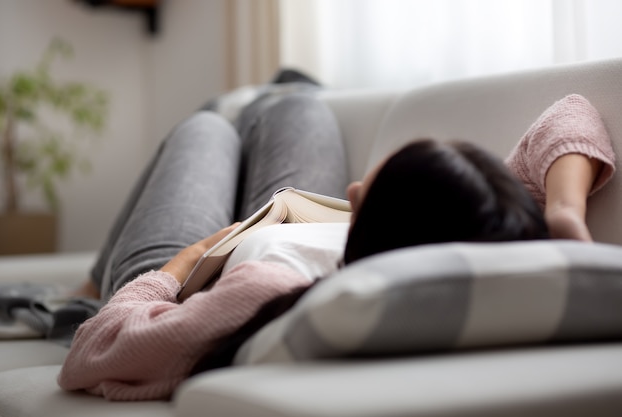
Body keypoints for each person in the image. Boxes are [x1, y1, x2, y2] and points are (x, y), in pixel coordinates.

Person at [58, 84, 615, 400]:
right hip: (290, 227)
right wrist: (565, 214)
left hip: (194, 271)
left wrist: (189, 257)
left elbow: (96, 348)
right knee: (299, 104)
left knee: (205, 129)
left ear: (382, 224)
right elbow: (571, 111)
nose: (352, 185)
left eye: (368, 191)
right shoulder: (490, 234)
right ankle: (260, 103)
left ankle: (94, 278)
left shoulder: (263, 292)